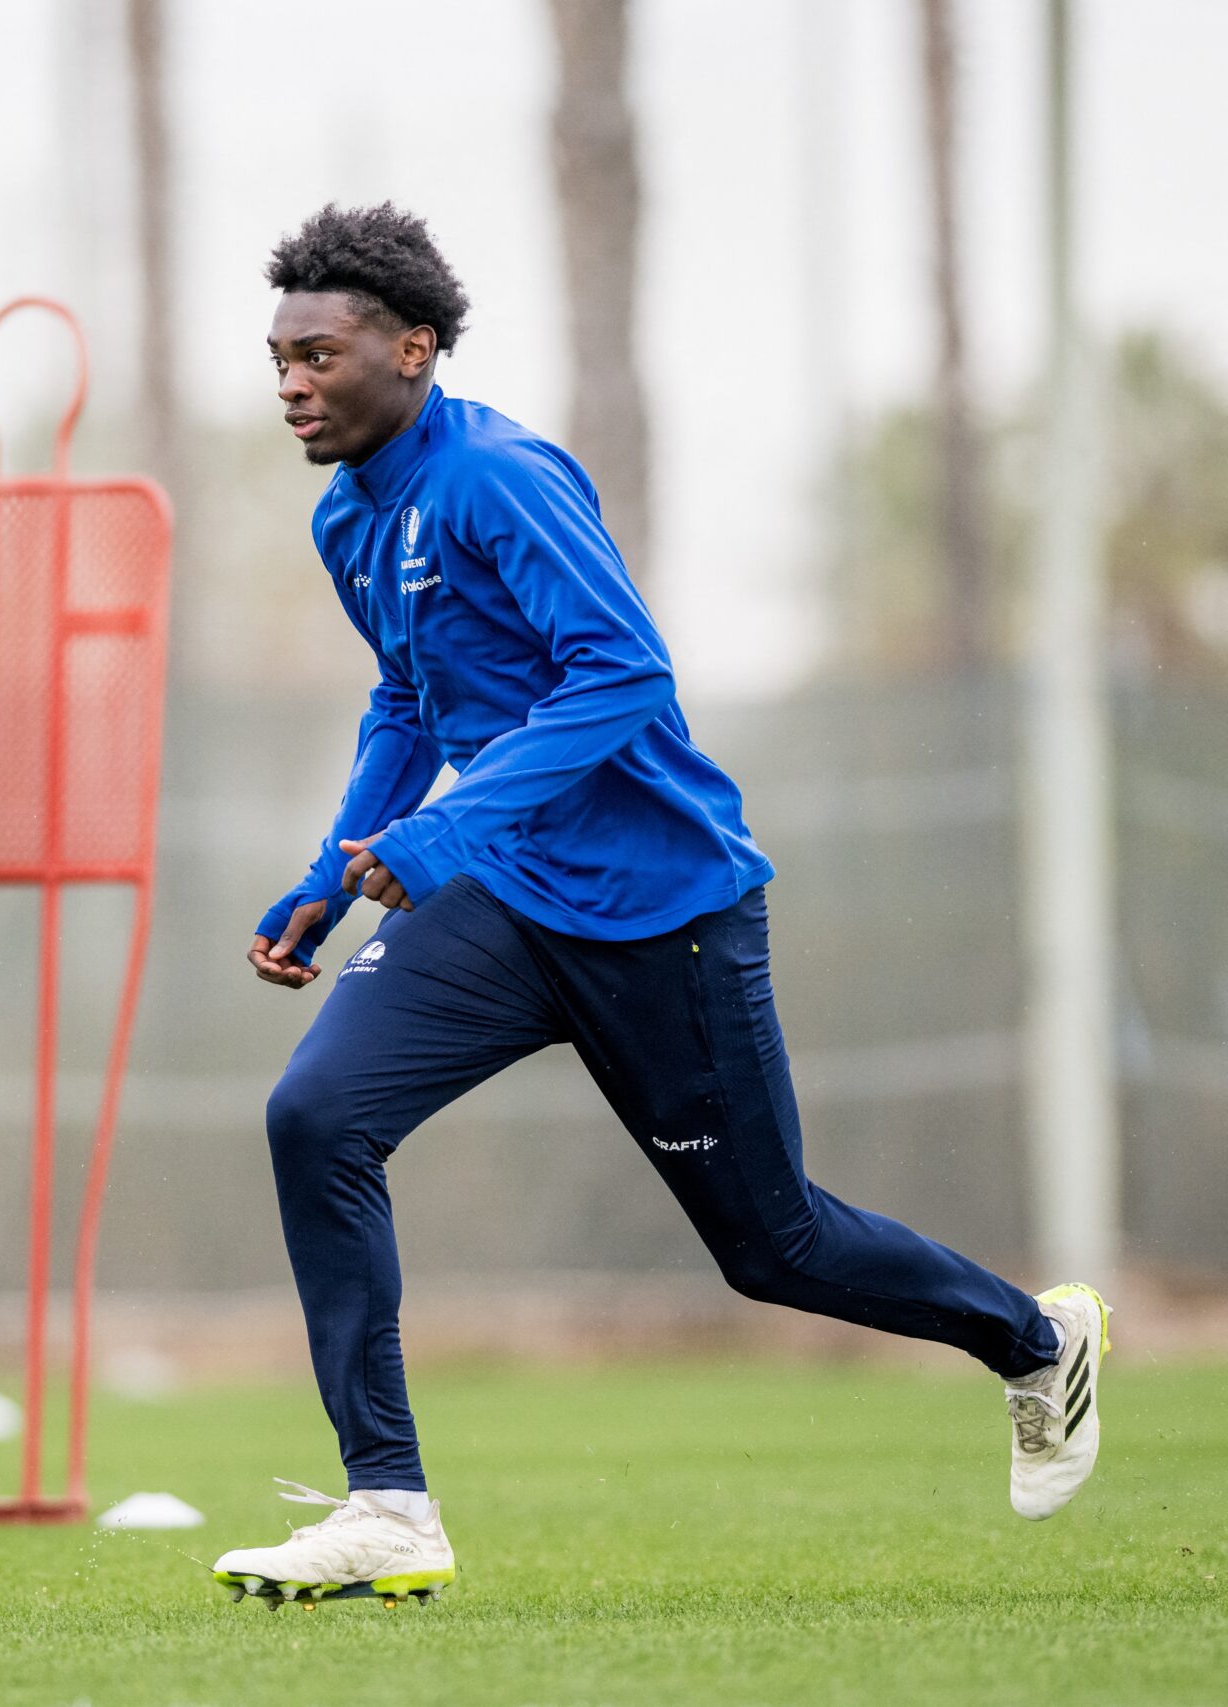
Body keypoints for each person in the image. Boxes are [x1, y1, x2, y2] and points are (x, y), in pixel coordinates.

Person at [210, 204, 1110, 1606]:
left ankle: (1036, 1343)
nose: (290, 384)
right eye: (277, 357)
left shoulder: (500, 477)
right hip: (506, 899)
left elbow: (622, 672)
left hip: (660, 909)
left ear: (413, 346)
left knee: (775, 1245)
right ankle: (387, 1499)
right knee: (316, 1114)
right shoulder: (348, 519)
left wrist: (443, 826)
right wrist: (330, 876)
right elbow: (408, 700)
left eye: (317, 355)